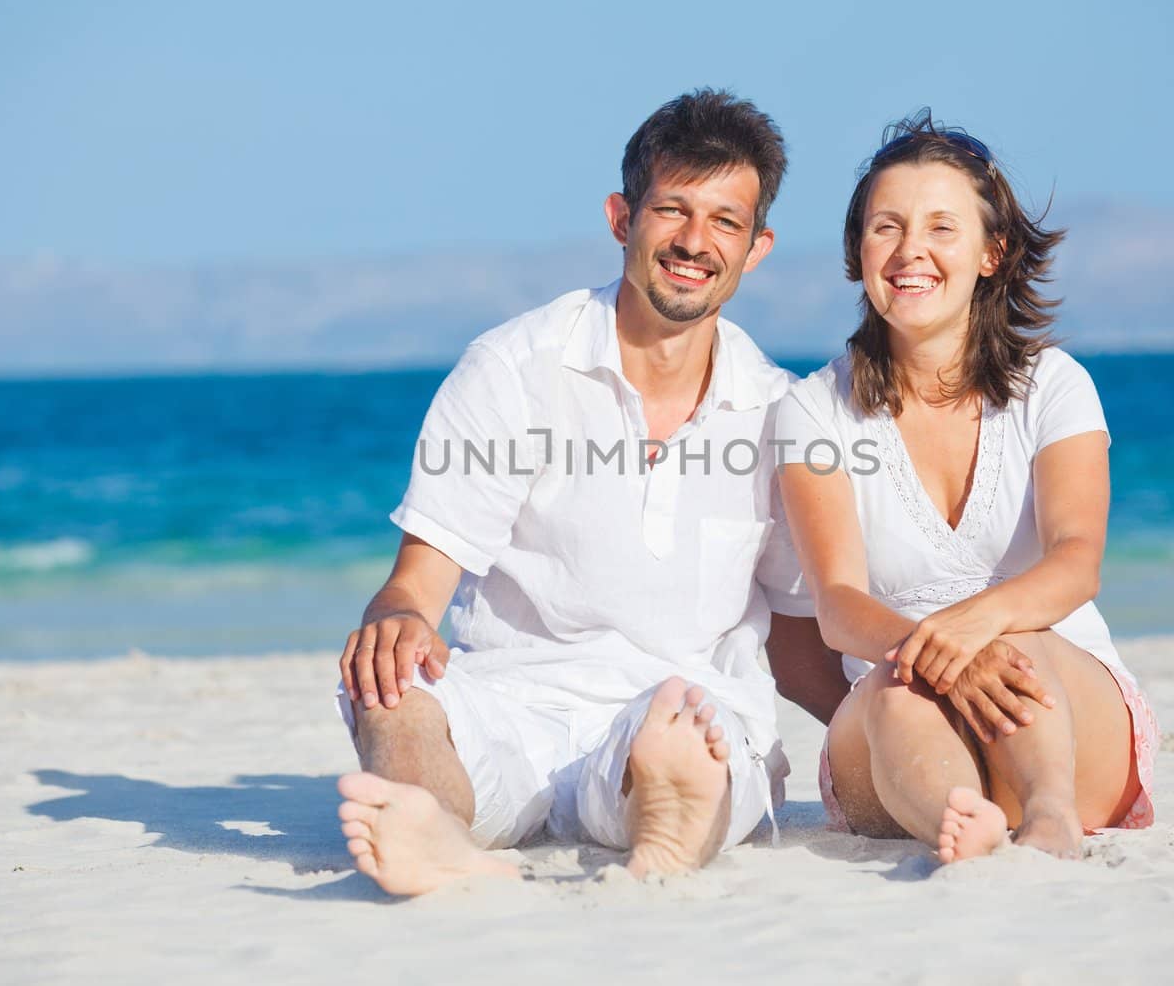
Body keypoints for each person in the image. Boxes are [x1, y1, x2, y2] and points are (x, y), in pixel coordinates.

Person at [334, 89, 832, 895]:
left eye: (724, 221)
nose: (694, 242)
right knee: (390, 692)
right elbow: (417, 583)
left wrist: (873, 731)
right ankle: (441, 832)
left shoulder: (782, 409)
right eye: (671, 210)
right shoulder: (513, 366)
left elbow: (795, 632)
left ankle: (663, 833)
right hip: (513, 706)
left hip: (676, 713)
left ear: (757, 246)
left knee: (689, 736)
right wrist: (391, 628)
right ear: (620, 217)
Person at [774, 110, 1158, 863]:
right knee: (892, 688)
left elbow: (1076, 561)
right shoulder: (811, 410)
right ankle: (961, 823)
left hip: (1067, 720)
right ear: (858, 250)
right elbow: (839, 605)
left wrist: (974, 630)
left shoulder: (1055, 386)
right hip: (902, 744)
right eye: (887, 226)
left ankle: (1050, 819)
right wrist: (934, 653)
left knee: (1020, 638)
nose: (910, 249)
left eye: (941, 228)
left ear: (993, 251)